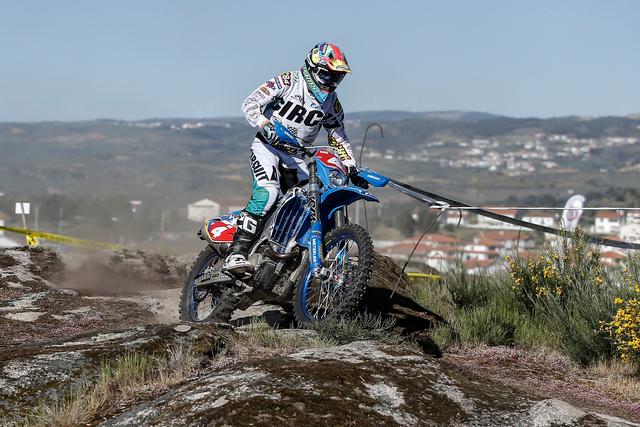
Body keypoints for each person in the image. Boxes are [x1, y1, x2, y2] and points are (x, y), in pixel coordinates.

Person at [222, 42, 368, 277]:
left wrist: (351, 165)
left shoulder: (331, 102)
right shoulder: (288, 81)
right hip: (268, 147)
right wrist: (264, 124)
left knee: (317, 198)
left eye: (336, 77)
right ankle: (236, 253)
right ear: (312, 68)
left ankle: (293, 256)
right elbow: (250, 103)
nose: (331, 82)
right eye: (327, 75)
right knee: (268, 192)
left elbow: (337, 134)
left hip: (298, 156)